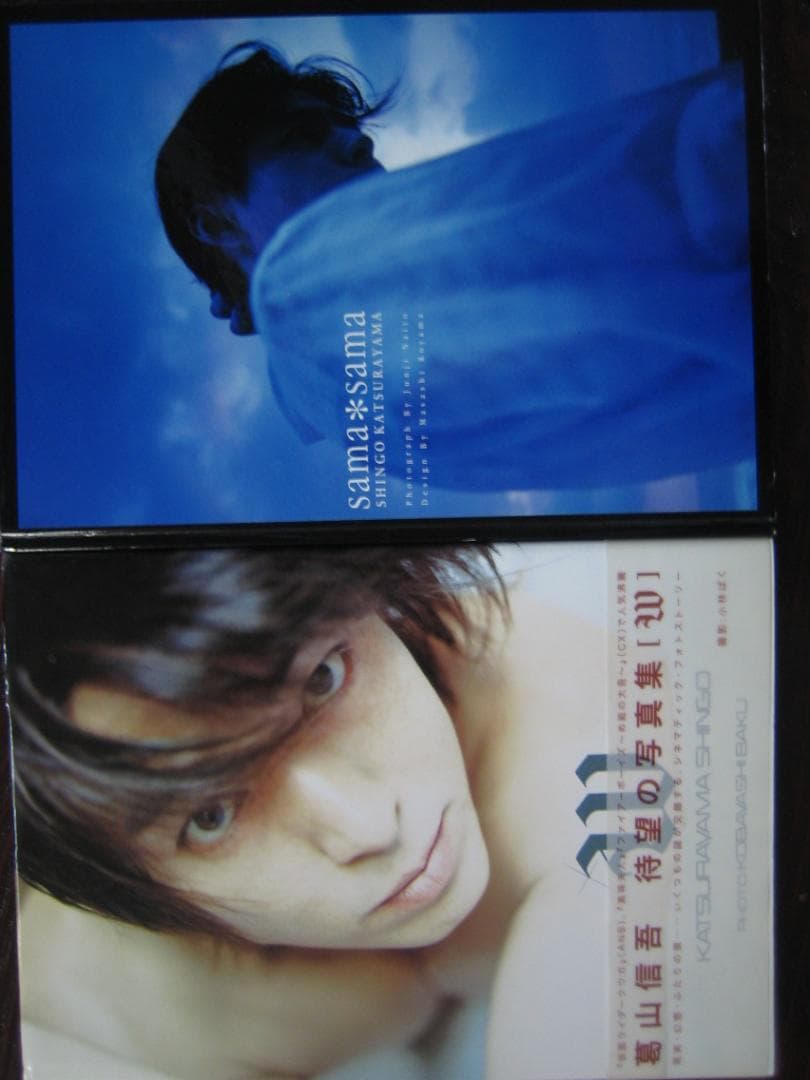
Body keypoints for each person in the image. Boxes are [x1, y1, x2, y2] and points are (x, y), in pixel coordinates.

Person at [8, 542, 607, 1079]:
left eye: (324, 678)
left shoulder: (588, 821)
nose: (368, 828)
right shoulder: (81, 1007)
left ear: (369, 590)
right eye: (212, 817)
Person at [155, 44, 757, 498]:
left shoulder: (363, 432)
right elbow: (686, 185)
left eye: (348, 129)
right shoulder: (303, 285)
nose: (359, 145)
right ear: (218, 221)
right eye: (300, 136)